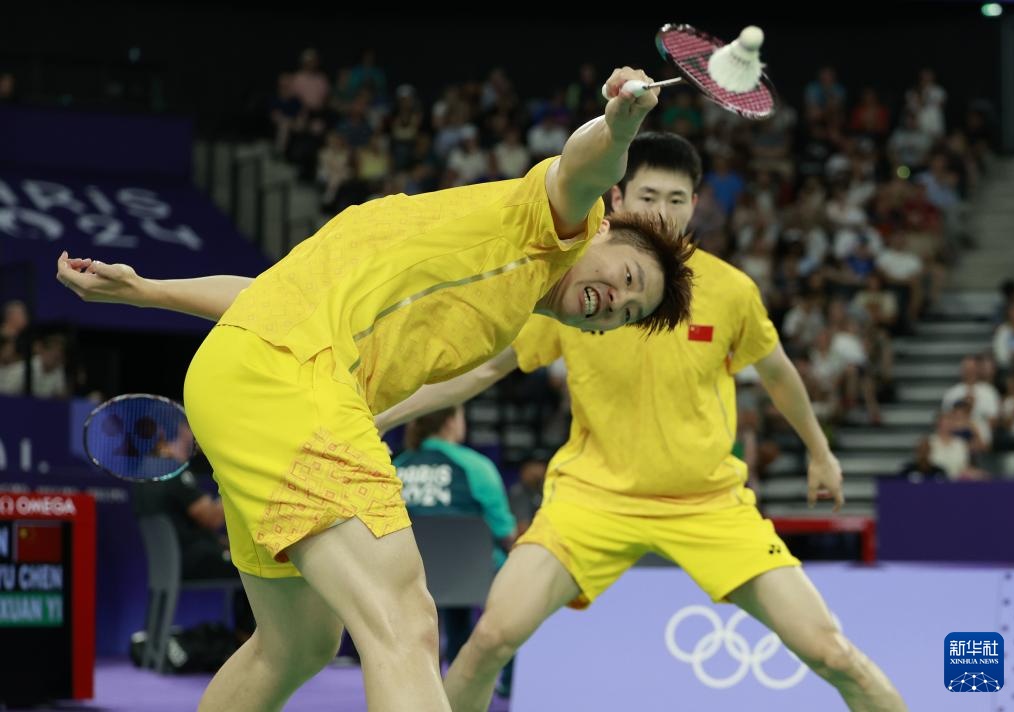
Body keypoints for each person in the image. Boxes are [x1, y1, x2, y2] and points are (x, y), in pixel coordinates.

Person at [56, 67, 693, 712]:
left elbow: (271, 298)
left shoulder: (498, 294)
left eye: (627, 314)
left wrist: (148, 291)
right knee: (403, 621)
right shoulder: (544, 226)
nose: (616, 302)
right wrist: (619, 127)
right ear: (605, 227)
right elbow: (585, 166)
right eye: (629, 277)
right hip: (289, 380)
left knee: (296, 643)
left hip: (248, 367)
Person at [375, 132, 906, 711]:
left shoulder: (731, 291)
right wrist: (382, 413)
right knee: (490, 639)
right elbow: (482, 368)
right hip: (592, 499)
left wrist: (820, 453)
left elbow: (778, 374)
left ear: (695, 205)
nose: (663, 212)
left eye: (676, 200)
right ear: (620, 199)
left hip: (708, 504)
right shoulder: (584, 285)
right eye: (649, 197)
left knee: (833, 654)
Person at [393, 406, 515, 667]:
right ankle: (504, 677)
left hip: (411, 574)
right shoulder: (476, 466)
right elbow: (504, 531)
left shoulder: (396, 468)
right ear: (450, 422)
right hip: (470, 576)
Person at [132, 458, 256, 642]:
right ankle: (249, 642)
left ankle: (243, 641)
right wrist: (238, 489)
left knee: (242, 561)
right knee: (250, 566)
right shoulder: (173, 472)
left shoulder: (144, 475)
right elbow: (212, 517)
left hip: (171, 563)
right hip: (191, 562)